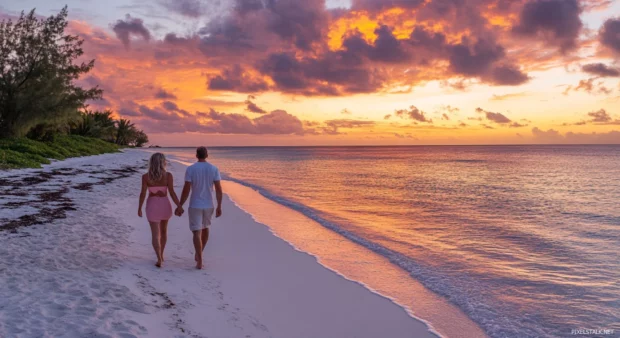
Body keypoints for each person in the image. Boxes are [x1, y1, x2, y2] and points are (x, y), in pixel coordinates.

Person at [177, 146, 223, 270]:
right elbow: (218, 189)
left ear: (196, 155)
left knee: (197, 232)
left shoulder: (191, 169)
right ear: (207, 155)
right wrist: (219, 205)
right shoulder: (213, 169)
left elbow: (186, 189)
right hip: (208, 204)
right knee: (206, 228)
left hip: (195, 204)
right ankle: (200, 253)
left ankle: (199, 258)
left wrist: (180, 204)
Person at [138, 153, 182, 268]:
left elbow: (143, 194)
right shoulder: (168, 176)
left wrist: (140, 208)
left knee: (155, 234)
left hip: (152, 206)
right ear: (163, 162)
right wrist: (179, 205)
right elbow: (172, 193)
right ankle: (161, 255)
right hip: (165, 205)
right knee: (163, 232)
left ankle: (158, 258)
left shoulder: (145, 177)